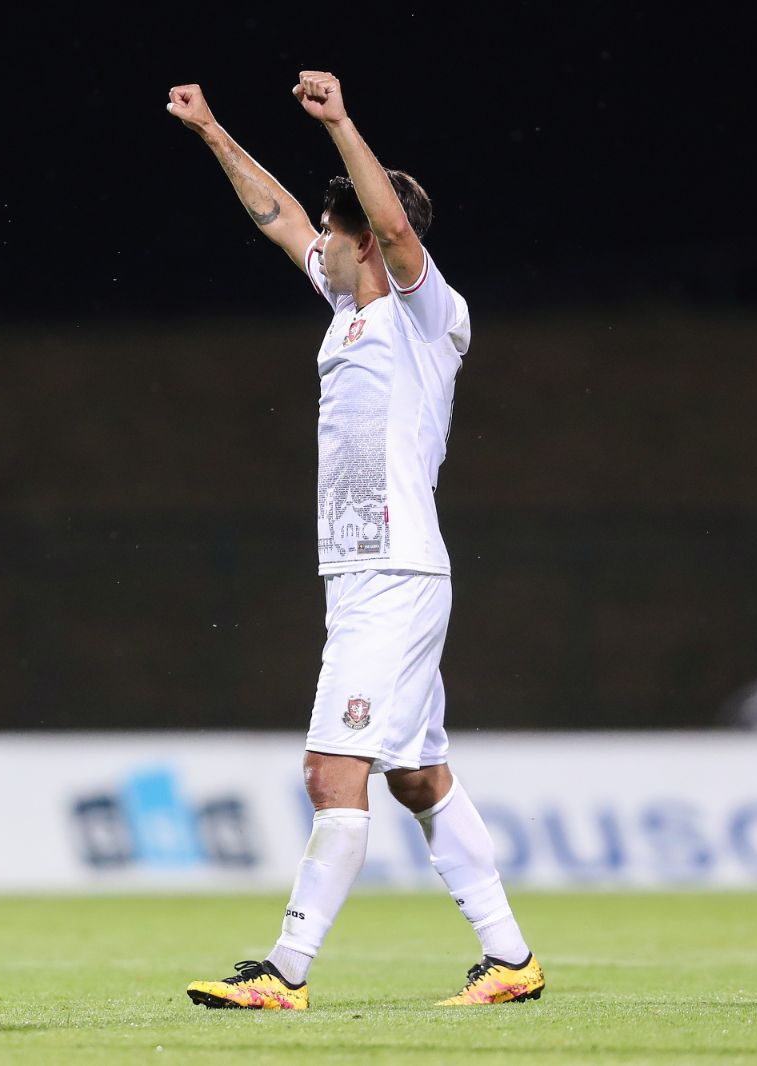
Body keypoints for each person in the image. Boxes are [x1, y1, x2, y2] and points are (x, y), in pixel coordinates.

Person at [169, 73, 544, 1010]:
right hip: (365, 575)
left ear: (366, 239)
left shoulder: (427, 314)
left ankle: (286, 970)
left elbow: (397, 232)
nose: (321, 246)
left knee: (331, 769)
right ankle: (510, 959)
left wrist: (340, 122)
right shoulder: (348, 312)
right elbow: (281, 218)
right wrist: (212, 131)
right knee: (416, 775)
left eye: (337, 236)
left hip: (394, 573)